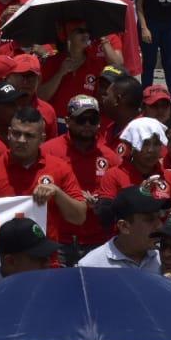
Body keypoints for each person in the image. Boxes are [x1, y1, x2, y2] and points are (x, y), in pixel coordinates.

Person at [0, 108, 87, 233]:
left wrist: (57, 193)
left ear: (42, 139)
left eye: (29, 135)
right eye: (16, 133)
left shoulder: (59, 168)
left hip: (45, 245)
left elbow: (79, 218)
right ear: (9, 133)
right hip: (0, 245)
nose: (21, 140)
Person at [40, 95, 119, 256]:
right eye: (81, 120)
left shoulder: (110, 157)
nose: (87, 125)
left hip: (98, 242)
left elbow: (119, 197)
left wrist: (101, 203)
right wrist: (70, 199)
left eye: (93, 120)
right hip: (58, 240)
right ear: (67, 121)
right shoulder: (48, 151)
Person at [78, 186, 166, 273]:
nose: (160, 226)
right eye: (150, 219)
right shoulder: (91, 266)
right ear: (124, 226)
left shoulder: (166, 259)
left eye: (159, 217)